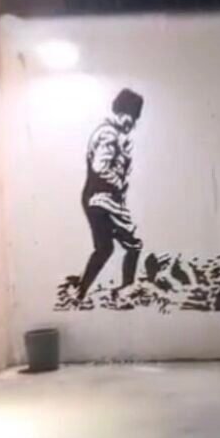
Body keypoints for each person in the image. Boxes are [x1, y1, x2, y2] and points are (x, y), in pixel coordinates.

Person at [74, 88, 145, 302]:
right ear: (121, 112)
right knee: (134, 244)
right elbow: (101, 167)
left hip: (93, 199)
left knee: (104, 249)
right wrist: (118, 183)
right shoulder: (109, 134)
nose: (132, 123)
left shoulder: (111, 134)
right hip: (105, 199)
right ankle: (127, 287)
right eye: (130, 117)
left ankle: (80, 292)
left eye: (135, 119)